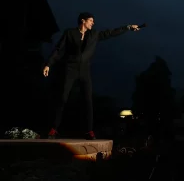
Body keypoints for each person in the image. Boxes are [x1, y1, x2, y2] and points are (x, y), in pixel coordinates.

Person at [43, 12, 141, 140]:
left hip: (84, 71)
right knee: (63, 98)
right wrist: (48, 64)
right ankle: (53, 129)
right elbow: (58, 49)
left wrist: (128, 27)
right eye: (91, 21)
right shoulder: (70, 33)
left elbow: (110, 32)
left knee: (88, 101)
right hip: (70, 69)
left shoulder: (94, 34)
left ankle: (89, 131)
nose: (93, 23)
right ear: (83, 21)